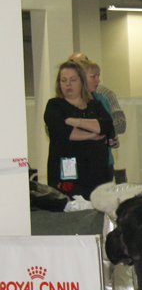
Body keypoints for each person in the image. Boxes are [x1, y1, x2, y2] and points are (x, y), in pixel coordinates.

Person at [44, 60, 115, 199]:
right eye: (63, 80)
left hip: (97, 173)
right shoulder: (54, 105)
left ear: (81, 81)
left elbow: (106, 126)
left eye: (73, 80)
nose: (68, 84)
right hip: (68, 175)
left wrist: (74, 121)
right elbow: (64, 133)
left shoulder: (95, 105)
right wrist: (91, 135)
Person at [69, 52, 127, 136]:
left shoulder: (104, 95)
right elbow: (52, 128)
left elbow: (120, 124)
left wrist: (108, 134)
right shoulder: (63, 99)